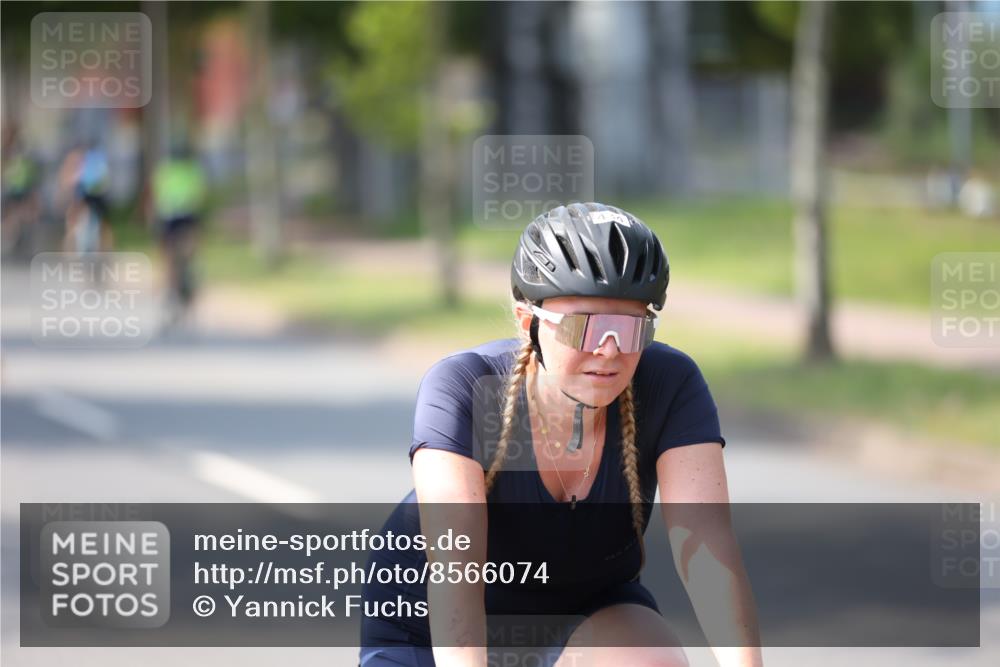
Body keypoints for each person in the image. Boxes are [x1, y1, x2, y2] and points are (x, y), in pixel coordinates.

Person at [359, 203, 762, 667]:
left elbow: (706, 550)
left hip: (585, 614)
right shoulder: (465, 387)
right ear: (527, 321)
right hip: (430, 629)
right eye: (584, 326)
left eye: (630, 327)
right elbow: (455, 571)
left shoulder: (669, 383)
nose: (609, 350)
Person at [150, 143, 207, 325]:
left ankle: (169, 288)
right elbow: (200, 196)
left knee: (167, 258)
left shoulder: (164, 170)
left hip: (169, 219)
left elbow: (156, 196)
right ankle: (189, 277)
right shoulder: (192, 170)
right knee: (190, 253)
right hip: (189, 217)